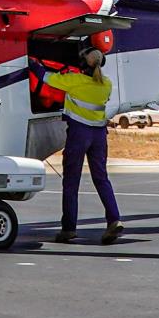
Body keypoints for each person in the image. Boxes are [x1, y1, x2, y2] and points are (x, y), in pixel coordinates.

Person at [44, 40, 124, 245]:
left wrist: (30, 62)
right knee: (101, 179)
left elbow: (44, 77)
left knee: (71, 182)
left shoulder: (74, 81)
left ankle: (69, 229)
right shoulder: (106, 85)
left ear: (82, 65)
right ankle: (114, 219)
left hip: (79, 134)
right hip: (99, 136)